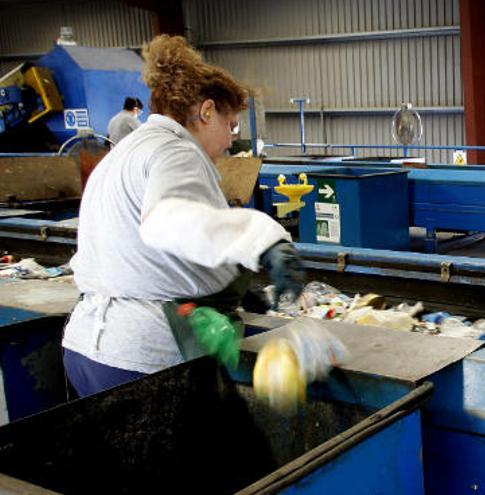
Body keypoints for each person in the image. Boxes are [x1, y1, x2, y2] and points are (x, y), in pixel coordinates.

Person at [62, 35, 305, 397]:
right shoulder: (175, 151)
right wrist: (262, 240)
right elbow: (169, 221)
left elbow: (144, 251)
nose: (229, 140)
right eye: (231, 125)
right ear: (207, 111)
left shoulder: (124, 153)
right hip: (142, 361)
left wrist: (233, 286)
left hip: (87, 348)